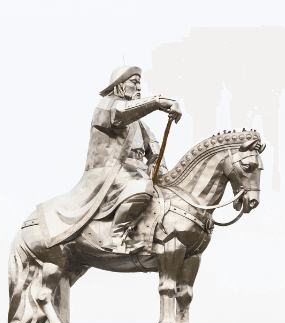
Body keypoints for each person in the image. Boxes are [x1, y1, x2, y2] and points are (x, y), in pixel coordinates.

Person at [36, 66, 182, 255]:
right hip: (111, 170)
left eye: (140, 83)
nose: (138, 87)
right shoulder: (107, 106)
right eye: (134, 82)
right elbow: (121, 114)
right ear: (119, 86)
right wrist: (158, 102)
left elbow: (154, 152)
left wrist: (158, 170)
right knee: (142, 188)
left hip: (138, 172)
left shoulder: (141, 124)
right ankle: (116, 236)